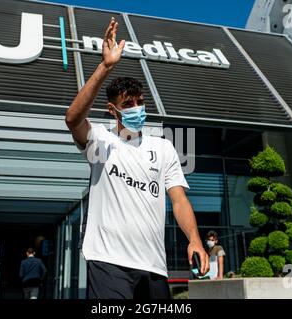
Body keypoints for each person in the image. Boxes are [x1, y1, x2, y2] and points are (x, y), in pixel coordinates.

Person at [65, 17, 209, 299]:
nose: (136, 108)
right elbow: (72, 119)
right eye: (128, 105)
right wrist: (105, 66)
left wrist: (195, 239)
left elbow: (179, 200)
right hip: (108, 262)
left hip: (153, 265)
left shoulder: (164, 147)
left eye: (140, 102)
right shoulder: (100, 142)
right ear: (112, 110)